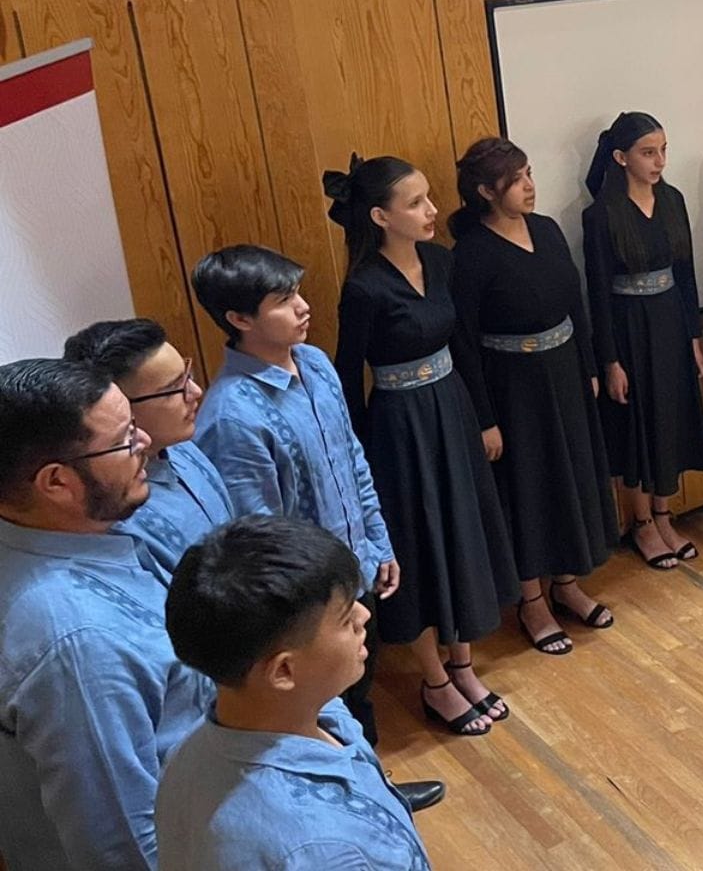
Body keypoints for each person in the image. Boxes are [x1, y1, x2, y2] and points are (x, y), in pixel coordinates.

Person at [325, 155, 518, 737]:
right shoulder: (363, 286)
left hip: (452, 409)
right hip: (400, 430)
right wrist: (358, 456)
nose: (432, 211)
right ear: (381, 216)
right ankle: (434, 679)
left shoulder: (440, 259)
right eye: (416, 203)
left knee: (462, 534)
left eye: (429, 198)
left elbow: (463, 344)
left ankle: (463, 664)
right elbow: (345, 374)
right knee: (422, 543)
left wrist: (484, 418)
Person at [0, 358, 216, 870]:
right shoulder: (77, 645)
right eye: (124, 440)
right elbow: (123, 845)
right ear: (57, 483)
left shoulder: (86, 532)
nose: (144, 443)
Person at [191, 244, 401, 744]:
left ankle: (371, 782)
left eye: (298, 293)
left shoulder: (314, 364)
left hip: (357, 569)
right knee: (324, 711)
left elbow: (352, 457)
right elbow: (263, 537)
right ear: (239, 317)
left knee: (359, 689)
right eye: (284, 301)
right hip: (310, 603)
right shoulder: (233, 416)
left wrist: (377, 540)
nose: (304, 307)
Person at [157, 516, 433, 870]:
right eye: (346, 618)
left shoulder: (203, 743)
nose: (364, 616)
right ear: (283, 671)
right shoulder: (318, 849)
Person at [449, 137, 620, 657]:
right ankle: (531, 600)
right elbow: (465, 343)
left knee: (570, 475)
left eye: (529, 172)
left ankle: (566, 583)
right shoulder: (472, 255)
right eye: (516, 179)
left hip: (564, 370)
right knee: (527, 488)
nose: (529, 185)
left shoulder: (545, 230)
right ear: (485, 191)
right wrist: (484, 418)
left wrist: (589, 366)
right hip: (511, 386)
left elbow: (576, 303)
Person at [582, 113, 703, 570]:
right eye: (647, 152)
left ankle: (663, 513)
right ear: (621, 158)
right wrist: (610, 360)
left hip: (670, 321)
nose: (659, 161)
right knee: (635, 424)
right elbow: (597, 292)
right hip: (628, 327)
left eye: (663, 150)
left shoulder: (672, 200)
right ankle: (639, 523)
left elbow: (687, 273)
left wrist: (695, 336)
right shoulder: (601, 215)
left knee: (669, 418)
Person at [62, 318, 241, 578]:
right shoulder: (117, 512)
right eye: (172, 390)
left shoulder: (180, 445)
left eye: (187, 376)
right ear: (118, 406)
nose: (196, 391)